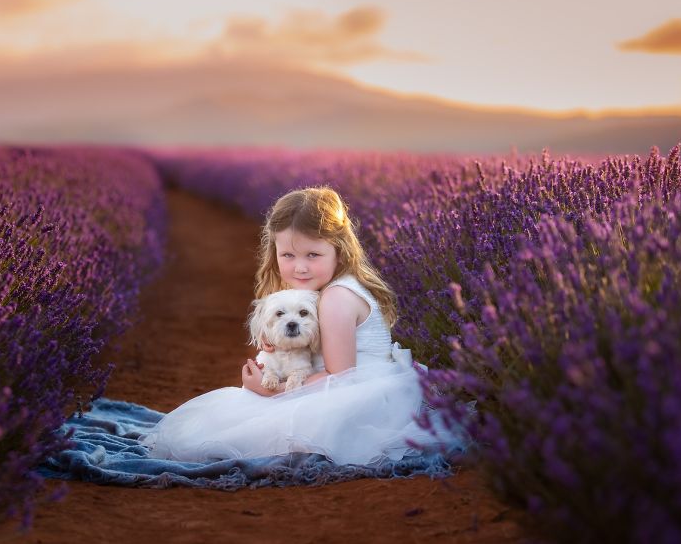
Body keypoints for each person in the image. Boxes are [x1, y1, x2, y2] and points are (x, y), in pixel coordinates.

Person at [140, 187, 466, 466]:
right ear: (274, 253)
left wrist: (272, 390)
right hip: (340, 386)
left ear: (339, 251)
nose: (300, 267)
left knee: (233, 433)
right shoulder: (326, 290)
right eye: (288, 255)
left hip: (353, 399)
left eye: (313, 254)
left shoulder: (336, 299)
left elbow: (340, 378)